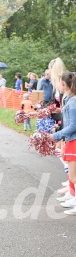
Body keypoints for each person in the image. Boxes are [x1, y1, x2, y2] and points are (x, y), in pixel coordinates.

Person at [52, 72, 76, 215]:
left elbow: (73, 125)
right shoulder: (70, 99)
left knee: (73, 176)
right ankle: (73, 197)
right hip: (70, 139)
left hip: (73, 139)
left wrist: (56, 135)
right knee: (72, 175)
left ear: (63, 84)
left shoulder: (72, 102)